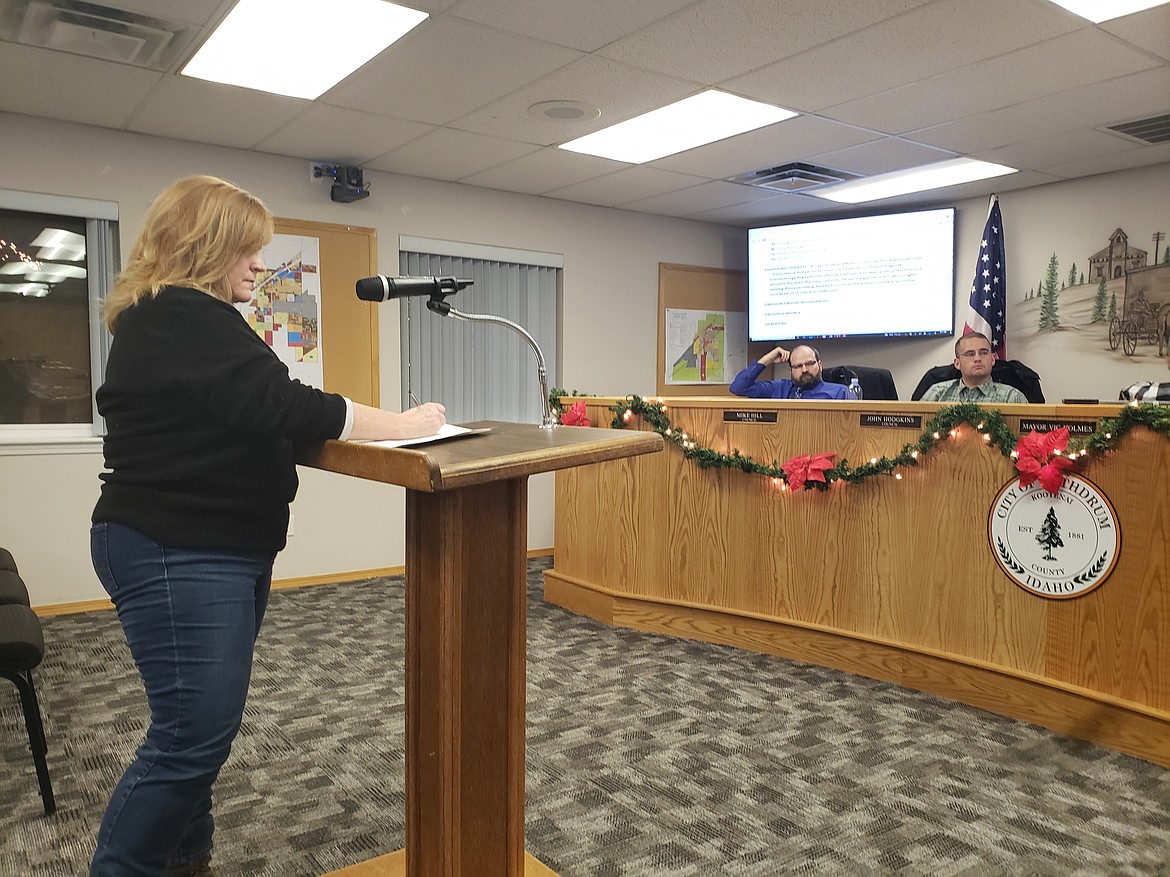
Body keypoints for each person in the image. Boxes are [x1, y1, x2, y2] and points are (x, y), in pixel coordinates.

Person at [88, 175, 446, 877]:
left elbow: (247, 408)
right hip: (178, 549)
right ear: (206, 246)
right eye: (248, 251)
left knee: (195, 732)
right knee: (190, 739)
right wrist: (403, 425)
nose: (258, 264)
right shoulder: (178, 314)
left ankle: (187, 861)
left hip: (211, 545)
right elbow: (281, 404)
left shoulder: (182, 318)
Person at [919, 332, 1027, 404]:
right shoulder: (937, 393)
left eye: (983, 353)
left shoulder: (1012, 397)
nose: (977, 358)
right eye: (970, 354)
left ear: (993, 359)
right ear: (957, 363)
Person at [729, 344, 847, 399]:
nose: (804, 370)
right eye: (798, 366)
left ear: (820, 365)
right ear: (790, 370)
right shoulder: (779, 388)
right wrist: (768, 358)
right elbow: (739, 387)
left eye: (810, 364)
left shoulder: (840, 392)